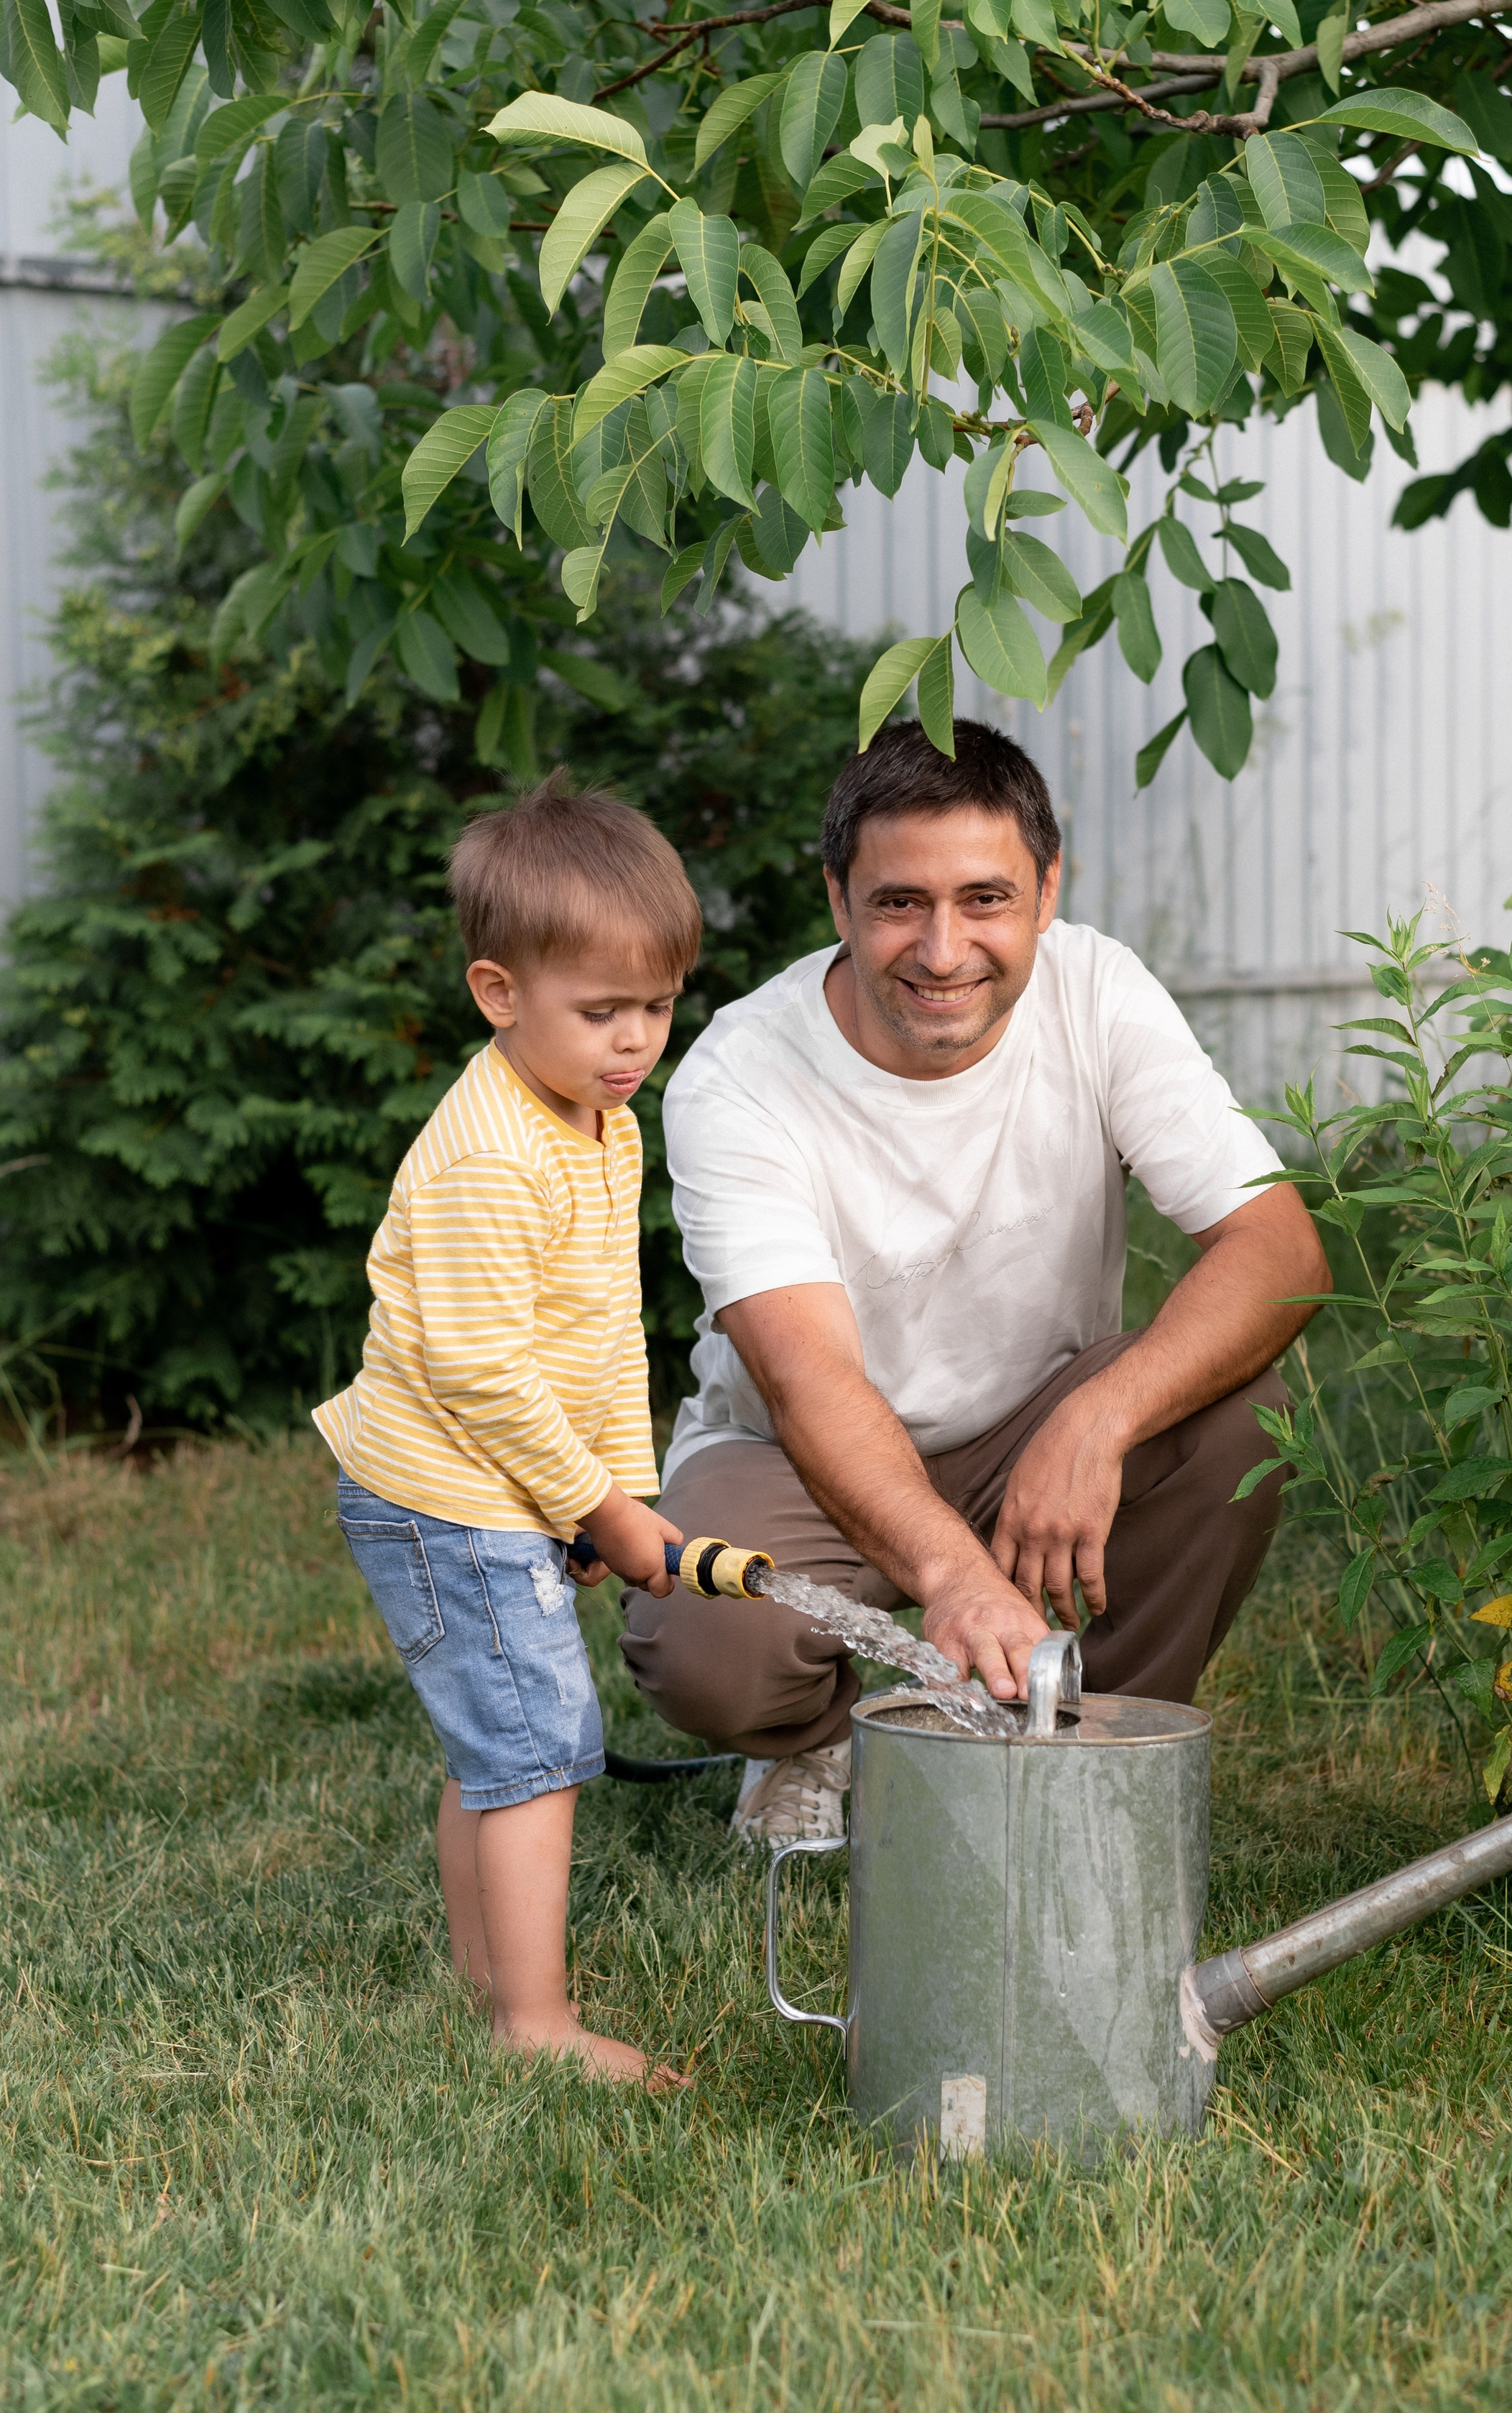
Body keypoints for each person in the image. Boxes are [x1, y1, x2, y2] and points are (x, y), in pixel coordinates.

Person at [623, 719, 1327, 1845]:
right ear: (838, 901)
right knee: (709, 1648)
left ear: (1048, 892)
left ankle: (1089, 1748)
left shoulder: (1099, 993)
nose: (943, 950)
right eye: (899, 902)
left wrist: (1097, 1420)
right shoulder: (741, 1075)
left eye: (985, 899)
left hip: (1032, 1423)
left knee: (1241, 1416)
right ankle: (814, 1741)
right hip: (797, 1454)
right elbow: (808, 1383)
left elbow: (1280, 1252)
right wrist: (952, 1571)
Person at [315, 772, 696, 2087]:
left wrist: (616, 1489)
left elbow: (601, 1327)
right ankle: (533, 2025)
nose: (635, 1040)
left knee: (503, 1740)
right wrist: (596, 1506)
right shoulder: (492, 1153)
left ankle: (490, 1984)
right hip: (444, 1493)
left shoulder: (600, 1119)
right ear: (499, 992)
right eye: (601, 1011)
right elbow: (479, 1372)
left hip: (499, 1484)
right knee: (540, 1750)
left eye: (658, 1005)